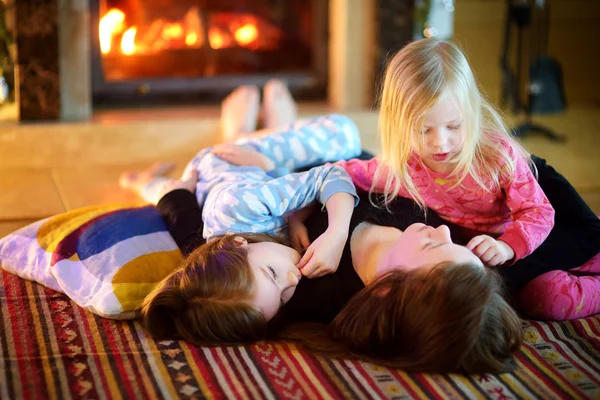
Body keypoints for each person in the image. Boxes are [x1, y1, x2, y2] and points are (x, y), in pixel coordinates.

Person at [123, 82, 523, 374]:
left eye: (435, 248)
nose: (444, 233)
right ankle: (268, 127)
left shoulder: (295, 289)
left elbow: (204, 245)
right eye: (458, 245)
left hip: (259, 187)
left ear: (385, 289)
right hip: (310, 170)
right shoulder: (437, 229)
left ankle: (243, 130)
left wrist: (169, 191)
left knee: (222, 176)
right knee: (311, 145)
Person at [337, 38, 555, 268]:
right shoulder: (399, 167)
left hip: (510, 245)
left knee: (548, 296)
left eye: (453, 126)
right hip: (457, 255)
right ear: (398, 126)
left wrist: (506, 246)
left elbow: (538, 211)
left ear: (470, 113)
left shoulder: (496, 156)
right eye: (423, 130)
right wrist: (302, 210)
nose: (440, 143)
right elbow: (339, 172)